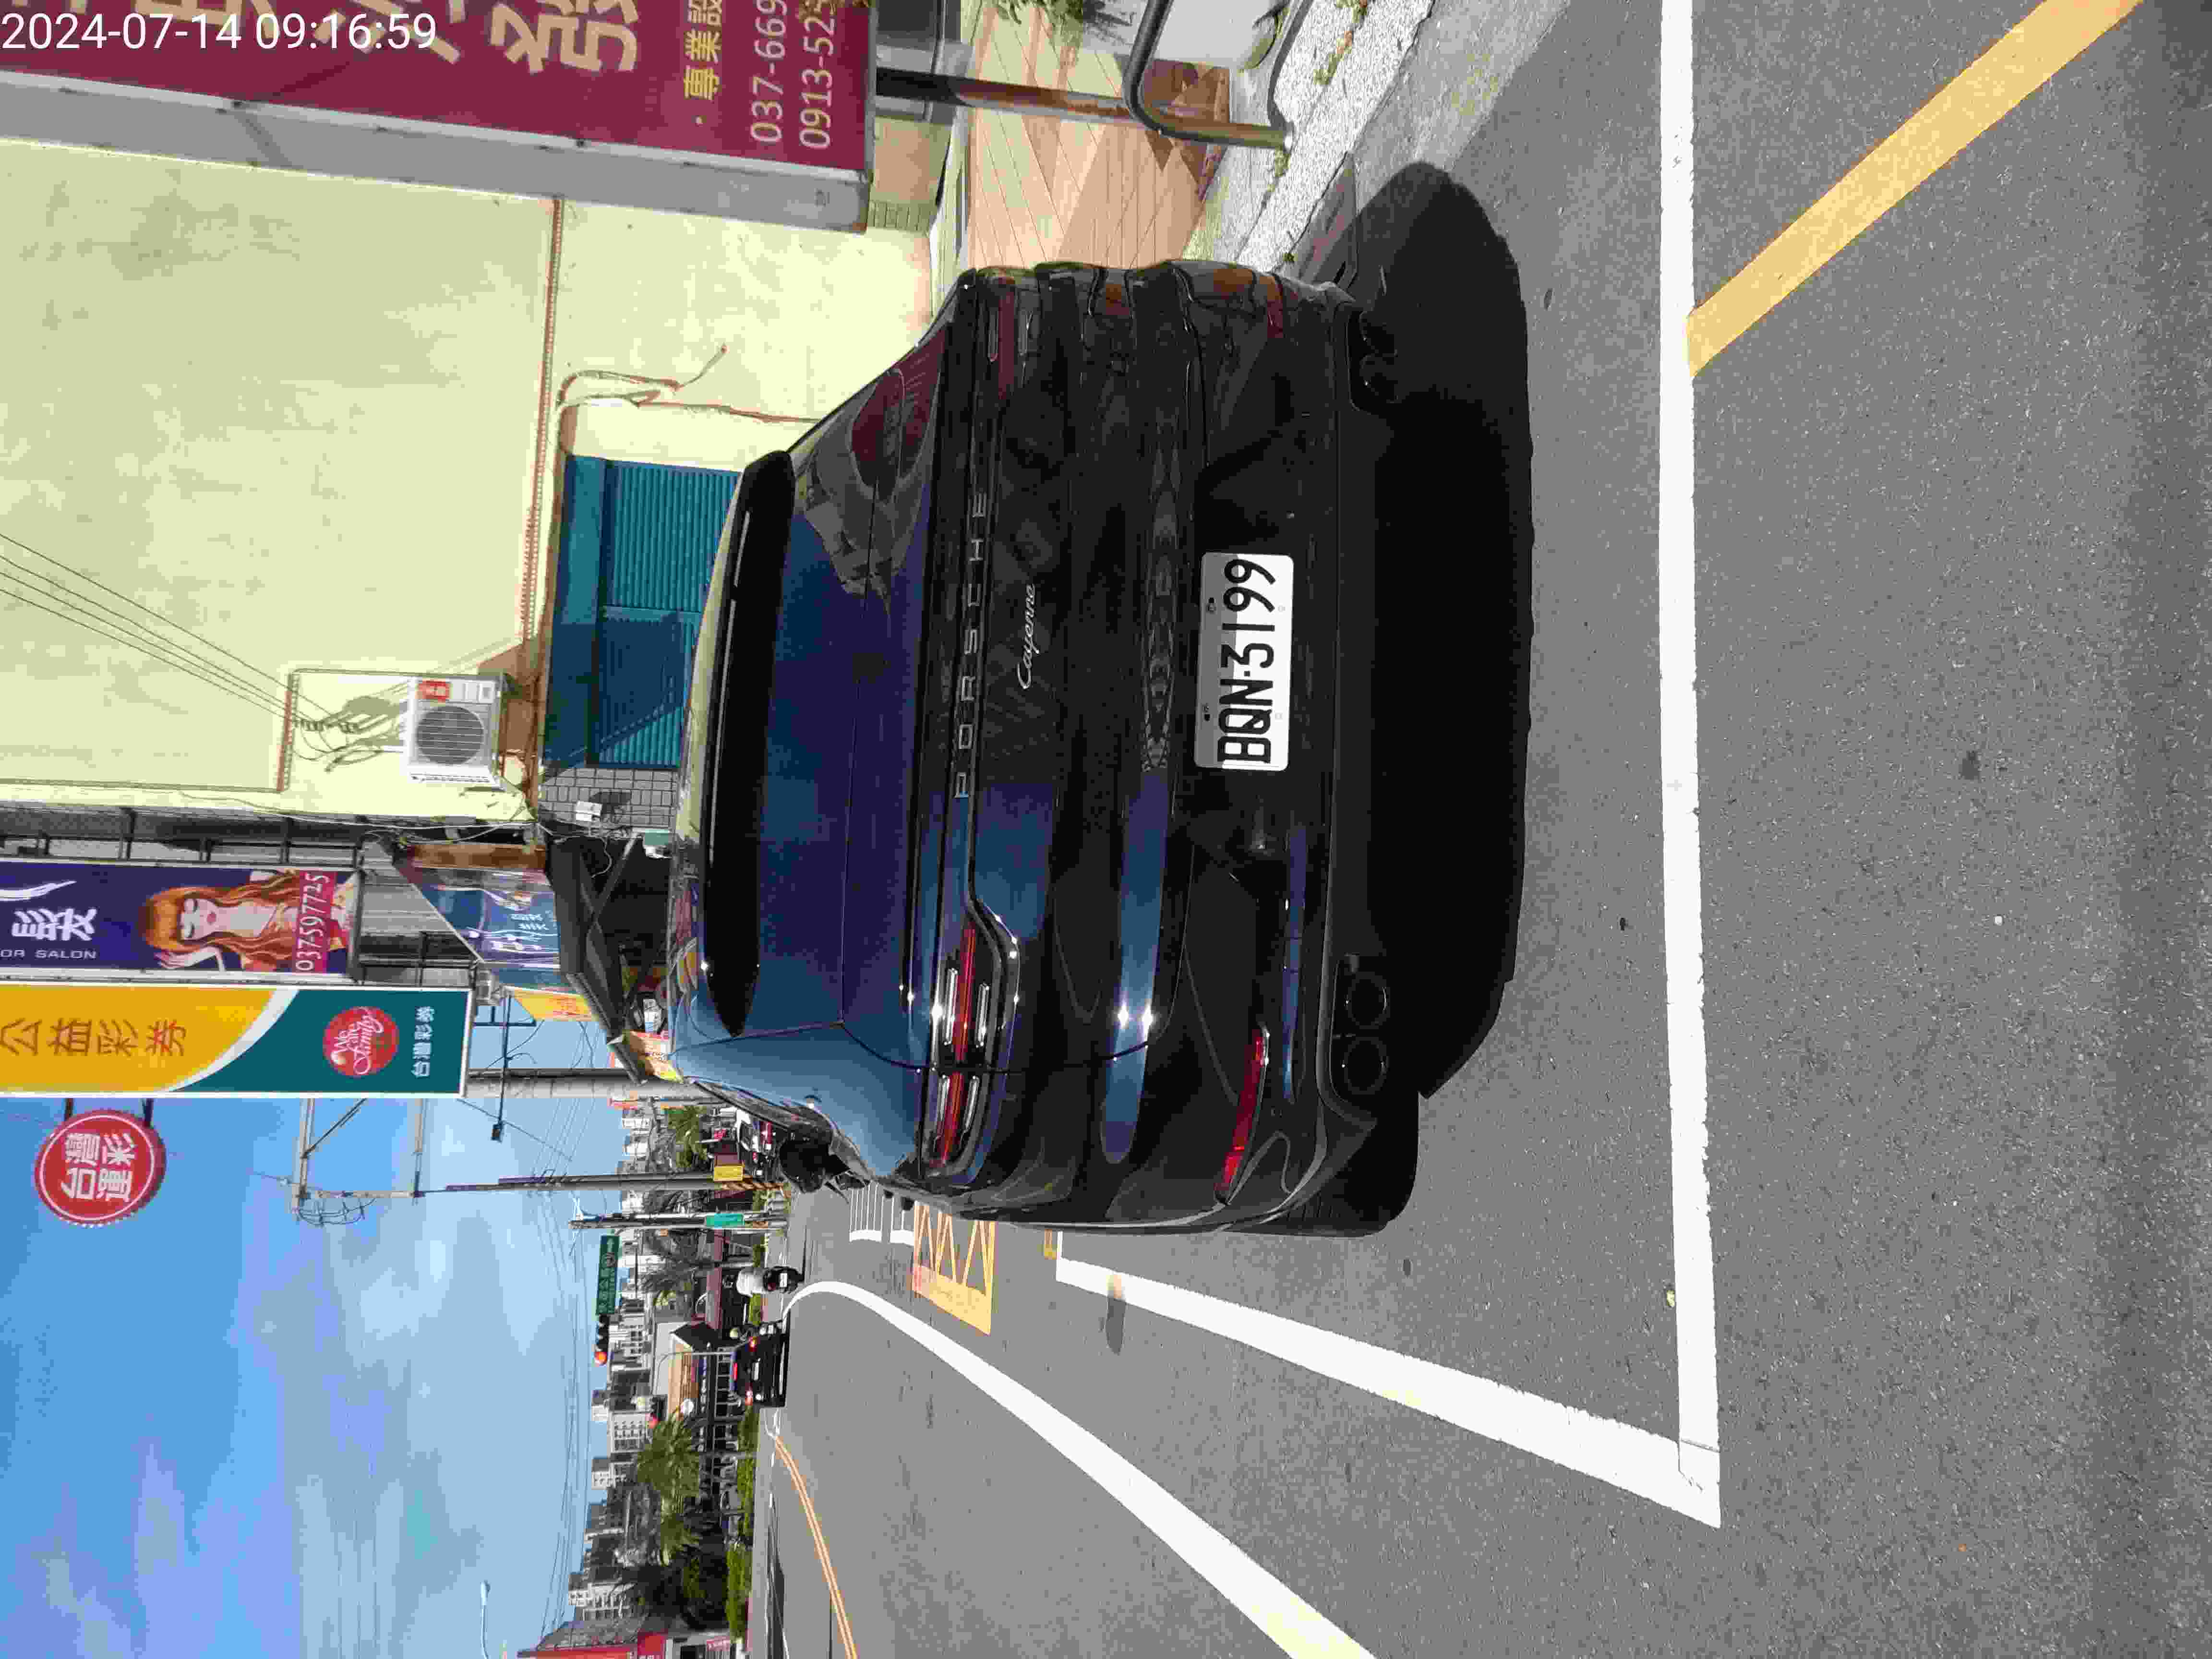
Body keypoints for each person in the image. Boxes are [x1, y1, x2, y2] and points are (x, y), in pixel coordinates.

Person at [137, 870, 357, 973]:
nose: (201, 917)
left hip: (360, 895)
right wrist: (213, 954)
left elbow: (328, 872)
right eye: (190, 929)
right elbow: (249, 996)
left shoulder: (260, 879)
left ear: (196, 895)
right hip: (363, 939)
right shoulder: (253, 958)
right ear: (192, 941)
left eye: (192, 906)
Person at [729, 1262, 802, 1298]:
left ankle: (784, 1287)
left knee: (775, 1287)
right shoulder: (741, 1273)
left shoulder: (740, 1290)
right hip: (764, 1276)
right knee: (774, 1270)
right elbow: (753, 1268)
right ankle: (787, 1273)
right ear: (733, 1276)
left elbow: (752, 1295)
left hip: (763, 1288)